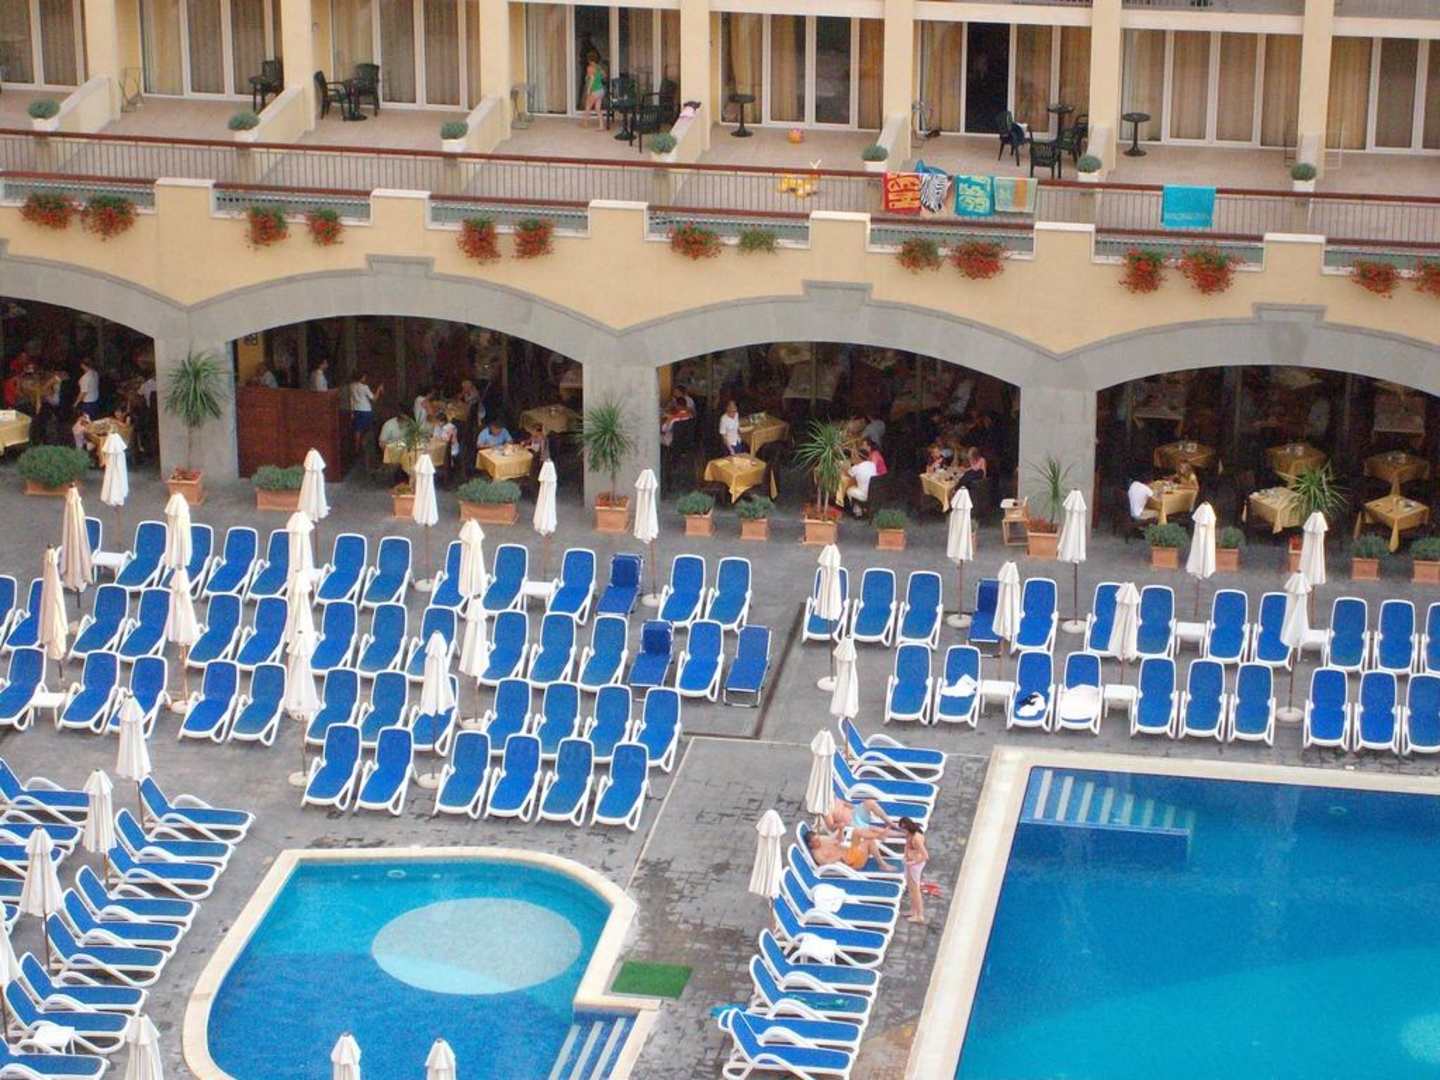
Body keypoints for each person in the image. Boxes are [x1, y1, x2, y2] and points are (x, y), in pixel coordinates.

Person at [805, 829, 896, 874]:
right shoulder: (817, 854)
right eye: (815, 841)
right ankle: (882, 865)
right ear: (810, 844)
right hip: (850, 862)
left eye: (818, 838)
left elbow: (836, 840)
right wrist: (839, 856)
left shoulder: (822, 839)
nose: (818, 841)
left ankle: (879, 837)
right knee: (869, 842)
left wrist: (840, 831)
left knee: (856, 831)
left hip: (848, 852)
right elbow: (826, 863)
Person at [825, 797, 900, 841]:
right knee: (874, 829)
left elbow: (846, 804)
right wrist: (841, 825)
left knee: (870, 802)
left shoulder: (834, 798)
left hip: (855, 812)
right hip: (851, 822)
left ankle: (890, 822)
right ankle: (901, 834)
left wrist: (856, 806)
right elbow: (831, 827)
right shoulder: (826, 810)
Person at [899, 817, 929, 924]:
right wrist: (905, 856)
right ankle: (913, 910)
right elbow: (907, 846)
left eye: (903, 829)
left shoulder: (916, 838)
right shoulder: (910, 835)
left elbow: (925, 856)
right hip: (910, 863)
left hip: (915, 865)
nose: (902, 832)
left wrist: (912, 863)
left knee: (916, 891)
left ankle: (920, 915)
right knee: (911, 889)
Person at [845, 438, 880, 517]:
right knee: (856, 486)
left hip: (864, 495)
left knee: (849, 490)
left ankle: (857, 511)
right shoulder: (872, 464)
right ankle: (861, 508)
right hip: (874, 493)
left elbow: (847, 474)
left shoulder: (857, 467)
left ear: (859, 457)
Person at [350, 373, 381, 463]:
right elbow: (374, 399)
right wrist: (378, 389)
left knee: (357, 430)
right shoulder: (364, 387)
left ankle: (356, 450)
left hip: (357, 410)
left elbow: (351, 399)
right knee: (368, 431)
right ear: (361, 378)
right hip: (366, 410)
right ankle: (366, 448)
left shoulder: (351, 386)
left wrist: (352, 412)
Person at [581, 54, 606, 130]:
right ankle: (601, 126)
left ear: (589, 60)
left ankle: (585, 123)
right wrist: (598, 77)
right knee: (598, 108)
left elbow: (591, 79)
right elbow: (604, 76)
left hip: (595, 90)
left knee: (588, 106)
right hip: (601, 90)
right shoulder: (599, 67)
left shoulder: (590, 68)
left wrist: (588, 90)